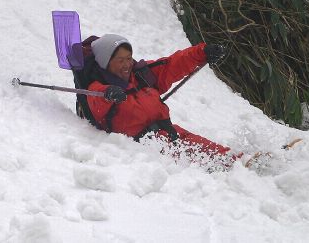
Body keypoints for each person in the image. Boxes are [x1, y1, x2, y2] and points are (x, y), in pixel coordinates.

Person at [86, 34, 242, 171]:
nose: (127, 64)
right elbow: (96, 99)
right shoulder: (98, 89)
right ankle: (232, 169)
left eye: (128, 58)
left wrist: (201, 53)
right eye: (120, 60)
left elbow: (172, 64)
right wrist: (109, 94)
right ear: (105, 63)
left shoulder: (141, 75)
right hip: (148, 147)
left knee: (209, 149)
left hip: (171, 132)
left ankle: (240, 164)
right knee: (194, 160)